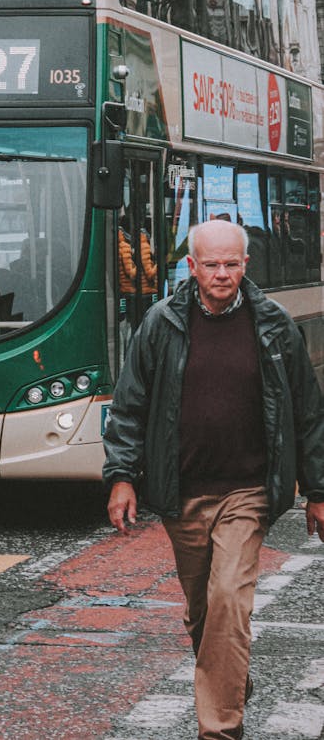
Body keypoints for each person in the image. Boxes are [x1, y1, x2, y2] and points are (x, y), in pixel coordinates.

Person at [103, 218, 324, 740]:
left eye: (232, 263)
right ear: (192, 267)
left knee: (228, 597)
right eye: (212, 264)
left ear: (245, 265)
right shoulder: (161, 324)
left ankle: (219, 729)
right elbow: (129, 407)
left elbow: (307, 413)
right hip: (182, 493)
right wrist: (121, 477)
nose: (222, 273)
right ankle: (229, 677)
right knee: (204, 610)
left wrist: (318, 490)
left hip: (248, 491)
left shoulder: (274, 326)